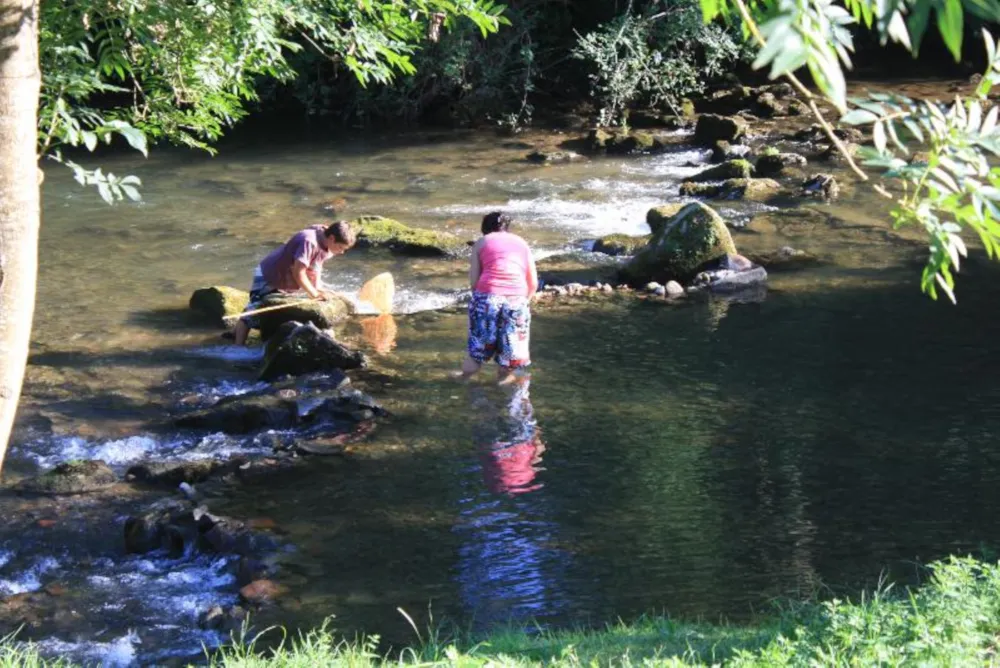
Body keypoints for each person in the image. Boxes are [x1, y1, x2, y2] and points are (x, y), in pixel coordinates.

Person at [234, 221, 356, 345]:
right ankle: (237, 346)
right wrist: (313, 294)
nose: (342, 252)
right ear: (331, 238)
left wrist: (318, 287)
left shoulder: (326, 242)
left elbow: (317, 266)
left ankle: (240, 332)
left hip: (286, 277)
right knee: (253, 311)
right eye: (341, 247)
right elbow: (299, 273)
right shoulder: (309, 242)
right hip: (269, 275)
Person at [458, 211, 538, 382]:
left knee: (476, 353)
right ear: (506, 227)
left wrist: (481, 304)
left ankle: (465, 382)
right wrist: (523, 303)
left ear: (484, 229)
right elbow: (533, 284)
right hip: (517, 300)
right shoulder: (522, 243)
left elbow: (474, 281)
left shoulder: (482, 242)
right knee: (511, 360)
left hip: (488, 297)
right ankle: (503, 389)